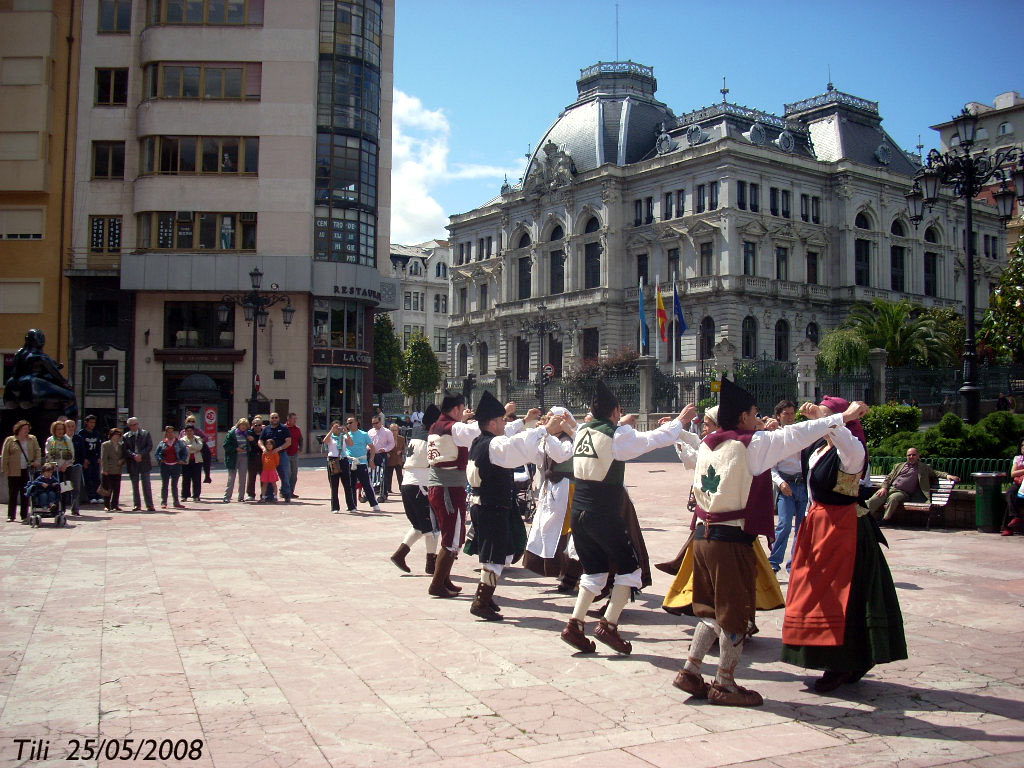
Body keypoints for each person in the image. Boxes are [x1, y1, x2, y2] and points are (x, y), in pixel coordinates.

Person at [672, 378, 869, 708]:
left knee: (712, 610)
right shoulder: (751, 445)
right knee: (734, 614)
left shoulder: (709, 443)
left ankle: (691, 670)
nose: (757, 418)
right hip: (730, 540)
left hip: (703, 537)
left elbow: (790, 435)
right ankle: (725, 683)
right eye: (754, 413)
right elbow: (795, 436)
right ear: (745, 416)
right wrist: (843, 417)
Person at [782, 396, 907, 692]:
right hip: (820, 525)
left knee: (840, 595)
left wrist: (836, 419)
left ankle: (842, 662)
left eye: (829, 416)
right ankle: (838, 659)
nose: (823, 421)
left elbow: (841, 436)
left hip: (844, 528)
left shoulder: (852, 450)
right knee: (817, 592)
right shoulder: (819, 448)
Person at [559, 381, 689, 656]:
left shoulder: (582, 432)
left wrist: (624, 425)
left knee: (594, 571)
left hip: (579, 512)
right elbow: (652, 440)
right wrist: (679, 421)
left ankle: (575, 624)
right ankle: (608, 624)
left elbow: (592, 430)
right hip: (603, 512)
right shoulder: (615, 436)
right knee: (630, 570)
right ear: (615, 411)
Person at [466, 391, 567, 620]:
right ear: (492, 423)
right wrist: (544, 430)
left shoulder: (480, 441)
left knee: (493, 554)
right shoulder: (493, 445)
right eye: (502, 420)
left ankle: (486, 596)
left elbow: (513, 439)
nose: (505, 423)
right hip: (491, 507)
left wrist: (532, 424)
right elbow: (517, 447)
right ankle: (481, 601)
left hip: (486, 505)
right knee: (494, 557)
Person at [426, 393, 533, 599]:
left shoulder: (436, 427)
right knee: (452, 536)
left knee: (453, 534)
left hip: (444, 485)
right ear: (457, 409)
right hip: (448, 486)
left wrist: (521, 420)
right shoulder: (454, 427)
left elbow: (489, 429)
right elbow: (481, 428)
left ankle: (443, 579)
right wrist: (506, 412)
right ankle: (438, 583)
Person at [522, 407, 577, 587]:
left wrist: (546, 435)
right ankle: (556, 569)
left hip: (567, 490)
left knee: (566, 532)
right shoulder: (550, 439)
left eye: (552, 419)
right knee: (546, 529)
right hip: (552, 489)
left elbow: (561, 455)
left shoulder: (568, 439)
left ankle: (571, 574)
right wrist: (538, 434)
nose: (548, 421)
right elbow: (535, 457)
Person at [390, 404, 441, 573]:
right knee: (433, 528)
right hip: (421, 486)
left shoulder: (417, 432)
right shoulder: (431, 437)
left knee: (419, 526)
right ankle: (431, 564)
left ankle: (400, 554)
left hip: (408, 483)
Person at [866, 447, 959, 525]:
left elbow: (935, 473)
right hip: (890, 488)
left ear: (918, 456)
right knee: (875, 498)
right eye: (909, 455)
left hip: (903, 493)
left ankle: (885, 520)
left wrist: (948, 476)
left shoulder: (923, 467)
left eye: (913, 455)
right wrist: (884, 487)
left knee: (893, 499)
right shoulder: (899, 466)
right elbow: (889, 478)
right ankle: (863, 518)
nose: (911, 457)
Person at [768, 400, 807, 574]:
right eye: (786, 414)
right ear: (778, 416)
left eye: (792, 413)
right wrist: (780, 482)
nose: (790, 417)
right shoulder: (776, 437)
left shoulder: (801, 433)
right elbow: (771, 466)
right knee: (784, 524)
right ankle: (774, 562)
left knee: (801, 526)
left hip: (803, 484)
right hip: (786, 484)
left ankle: (795, 563)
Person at [2, 420, 41, 522]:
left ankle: (24, 515)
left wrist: (37, 461)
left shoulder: (32, 439)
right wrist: (4, 470)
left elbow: (38, 451)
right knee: (13, 493)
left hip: (27, 470)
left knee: (25, 493)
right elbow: (5, 456)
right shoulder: (10, 440)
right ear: (18, 429)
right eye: (24, 429)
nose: (26, 431)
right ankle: (11, 515)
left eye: (28, 429)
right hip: (14, 471)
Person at [344, 415, 380, 512]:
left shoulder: (363, 434)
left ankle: (374, 504)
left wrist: (371, 460)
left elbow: (372, 447)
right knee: (351, 485)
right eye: (347, 423)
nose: (349, 424)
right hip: (350, 462)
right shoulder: (346, 435)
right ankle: (352, 505)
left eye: (351, 422)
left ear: (356, 423)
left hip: (361, 462)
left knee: (366, 484)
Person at [123, 417, 156, 511]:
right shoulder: (126, 436)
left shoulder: (145, 433)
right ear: (129, 426)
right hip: (133, 463)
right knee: (135, 485)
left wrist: (141, 454)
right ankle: (137, 505)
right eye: (132, 425)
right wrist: (134, 455)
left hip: (144, 462)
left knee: (146, 484)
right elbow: (125, 449)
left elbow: (149, 446)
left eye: (136, 424)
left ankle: (150, 505)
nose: (135, 426)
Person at [259, 412, 293, 502]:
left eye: (276, 417)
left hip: (281, 455)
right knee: (269, 476)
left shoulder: (284, 428)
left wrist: (278, 449)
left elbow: (288, 442)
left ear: (279, 418)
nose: (274, 419)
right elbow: (260, 441)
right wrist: (263, 448)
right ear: (270, 419)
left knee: (284, 475)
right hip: (269, 456)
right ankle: (270, 496)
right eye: (272, 417)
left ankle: (286, 494)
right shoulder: (266, 429)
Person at [323, 420, 354, 514]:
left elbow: (351, 444)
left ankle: (351, 506)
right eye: (335, 427)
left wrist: (346, 433)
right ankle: (335, 507)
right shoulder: (330, 437)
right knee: (334, 484)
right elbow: (325, 441)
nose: (337, 429)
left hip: (343, 459)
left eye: (338, 427)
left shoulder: (343, 436)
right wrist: (332, 431)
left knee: (347, 484)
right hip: (333, 460)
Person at [45, 419, 76, 513]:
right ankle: (54, 506)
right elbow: (48, 453)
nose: (60, 431)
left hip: (66, 467)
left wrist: (65, 465)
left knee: (65, 489)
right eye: (58, 429)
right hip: (54, 468)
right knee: (55, 488)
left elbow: (72, 454)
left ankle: (62, 508)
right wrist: (55, 465)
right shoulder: (50, 440)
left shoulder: (67, 440)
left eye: (62, 429)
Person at [155, 426, 187, 509]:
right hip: (165, 466)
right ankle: (164, 502)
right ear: (166, 433)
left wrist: (182, 460)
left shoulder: (178, 442)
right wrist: (160, 459)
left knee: (174, 485)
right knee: (165, 484)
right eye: (168, 432)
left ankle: (176, 502)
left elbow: (185, 452)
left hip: (176, 466)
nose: (170, 434)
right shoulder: (162, 443)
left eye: (172, 432)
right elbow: (157, 453)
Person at [223, 418, 251, 503]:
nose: (243, 427)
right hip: (233, 457)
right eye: (242, 425)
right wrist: (236, 449)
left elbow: (250, 445)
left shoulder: (247, 434)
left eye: (245, 425)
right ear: (238, 425)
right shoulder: (232, 433)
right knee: (231, 478)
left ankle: (241, 497)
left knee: (243, 478)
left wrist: (248, 445)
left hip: (244, 457)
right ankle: (227, 496)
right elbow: (226, 445)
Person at [180, 413, 213, 485]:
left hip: (197, 452)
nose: (191, 422)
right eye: (189, 421)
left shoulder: (198, 431)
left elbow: (206, 438)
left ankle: (207, 476)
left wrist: (198, 442)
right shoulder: (182, 432)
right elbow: (180, 441)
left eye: (193, 421)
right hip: (187, 453)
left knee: (206, 460)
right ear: (186, 422)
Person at [77, 414, 103, 504]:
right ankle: (91, 496)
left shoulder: (96, 433)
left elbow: (99, 446)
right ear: (86, 422)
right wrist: (84, 458)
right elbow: (81, 447)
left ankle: (98, 495)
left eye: (94, 422)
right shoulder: (82, 433)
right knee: (88, 478)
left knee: (96, 477)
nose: (92, 424)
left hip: (95, 459)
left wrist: (100, 457)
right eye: (91, 422)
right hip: (87, 459)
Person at [368, 414, 395, 502]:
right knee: (371, 473)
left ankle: (383, 494)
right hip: (371, 454)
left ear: (380, 422)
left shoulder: (387, 432)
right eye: (373, 423)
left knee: (382, 474)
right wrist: (367, 447)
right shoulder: (370, 432)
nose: (375, 425)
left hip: (381, 454)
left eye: (376, 423)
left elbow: (392, 443)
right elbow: (366, 442)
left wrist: (386, 449)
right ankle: (369, 493)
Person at [99, 427, 126, 511]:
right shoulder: (106, 445)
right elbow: (104, 458)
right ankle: (107, 505)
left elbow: (124, 456)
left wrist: (122, 461)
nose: (117, 437)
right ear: (111, 435)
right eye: (115, 435)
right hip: (108, 470)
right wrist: (105, 469)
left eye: (119, 435)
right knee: (107, 488)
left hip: (117, 470)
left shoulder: (121, 445)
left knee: (116, 488)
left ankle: (115, 504)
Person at [1002, 439, 1024, 536]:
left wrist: (1021, 471)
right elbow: (1013, 473)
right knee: (1010, 494)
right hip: (1019, 483)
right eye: (1022, 445)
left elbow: (1016, 472)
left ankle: (1008, 527)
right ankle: (1015, 517)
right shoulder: (1018, 458)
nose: (1023, 448)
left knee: (1013, 501)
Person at [63, 418, 84, 515]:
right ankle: (62, 508)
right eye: (68, 426)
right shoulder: (61, 439)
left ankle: (75, 509)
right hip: (64, 466)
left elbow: (83, 452)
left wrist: (81, 463)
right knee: (64, 487)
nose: (71, 428)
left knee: (76, 488)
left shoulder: (79, 438)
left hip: (76, 466)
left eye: (72, 426)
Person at [180, 424, 205, 502]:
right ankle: (185, 495)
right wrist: (193, 448)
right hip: (186, 461)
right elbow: (183, 449)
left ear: (193, 431)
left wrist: (189, 447)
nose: (189, 432)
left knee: (197, 479)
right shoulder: (182, 440)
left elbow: (199, 447)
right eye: (187, 431)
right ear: (185, 432)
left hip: (197, 461)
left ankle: (196, 495)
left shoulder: (197, 439)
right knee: (186, 479)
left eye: (191, 431)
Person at [385, 422, 406, 498]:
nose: (394, 432)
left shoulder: (402, 438)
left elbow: (404, 448)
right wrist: (387, 453)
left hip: (398, 460)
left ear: (398, 430)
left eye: (395, 430)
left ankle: (402, 489)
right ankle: (388, 489)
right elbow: (385, 447)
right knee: (389, 475)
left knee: (400, 475)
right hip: (390, 459)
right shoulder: (387, 439)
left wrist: (401, 451)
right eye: (392, 430)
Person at [245, 416, 264, 501]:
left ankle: (264, 494)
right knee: (251, 477)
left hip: (262, 457)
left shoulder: (265, 433)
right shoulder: (248, 433)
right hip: (252, 457)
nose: (258, 427)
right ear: (252, 425)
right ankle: (250, 494)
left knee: (263, 477)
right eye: (256, 425)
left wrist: (253, 441)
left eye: (259, 425)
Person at [285, 413, 302, 497]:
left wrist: (300, 448)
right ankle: (285, 491)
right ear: (288, 419)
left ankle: (291, 492)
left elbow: (300, 439)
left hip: (294, 454)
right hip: (285, 454)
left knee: (294, 474)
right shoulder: (284, 428)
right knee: (287, 473)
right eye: (293, 419)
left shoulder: (297, 429)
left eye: (296, 419)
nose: (295, 420)